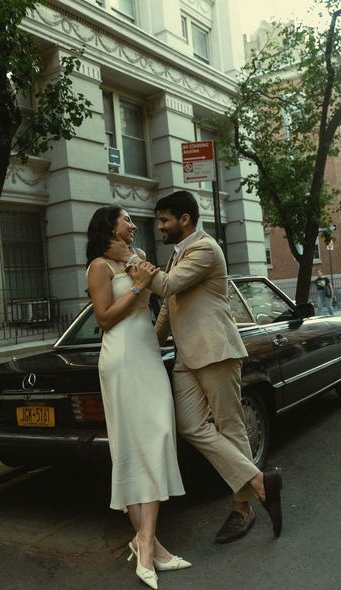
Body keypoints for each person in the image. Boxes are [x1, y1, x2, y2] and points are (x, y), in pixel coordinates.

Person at [105, 190, 283, 544]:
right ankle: (261, 480)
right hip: (186, 358)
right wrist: (150, 344)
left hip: (216, 350)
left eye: (164, 220)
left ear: (184, 219)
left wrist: (129, 259)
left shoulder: (204, 249)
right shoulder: (176, 255)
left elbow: (167, 286)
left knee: (231, 427)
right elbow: (170, 305)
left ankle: (242, 508)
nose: (159, 227)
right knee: (189, 425)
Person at [86, 205, 191, 590]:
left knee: (160, 436)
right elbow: (104, 318)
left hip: (147, 352)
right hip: (121, 357)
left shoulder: (139, 258)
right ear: (109, 226)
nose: (133, 224)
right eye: (126, 219)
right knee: (131, 447)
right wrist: (135, 285)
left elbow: (158, 294)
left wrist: (136, 270)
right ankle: (150, 546)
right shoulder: (98, 267)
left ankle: (145, 542)